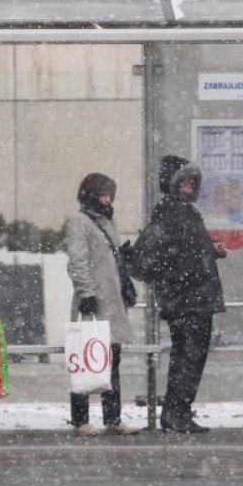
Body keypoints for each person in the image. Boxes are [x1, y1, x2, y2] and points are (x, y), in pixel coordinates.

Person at [138, 155, 226, 434]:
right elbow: (159, 254)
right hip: (186, 301)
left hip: (196, 299)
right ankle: (176, 413)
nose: (190, 186)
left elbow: (184, 248)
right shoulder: (169, 211)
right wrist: (182, 274)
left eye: (192, 181)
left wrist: (210, 250)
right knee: (187, 358)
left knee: (191, 358)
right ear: (173, 183)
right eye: (184, 181)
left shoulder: (186, 212)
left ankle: (180, 411)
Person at [65, 173, 139, 436]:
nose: (107, 199)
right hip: (94, 302)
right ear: (90, 194)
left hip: (112, 301)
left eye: (110, 195)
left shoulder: (109, 221)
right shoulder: (79, 222)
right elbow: (77, 261)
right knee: (85, 359)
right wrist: (86, 294)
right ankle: (81, 419)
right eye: (103, 194)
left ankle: (113, 418)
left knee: (112, 361)